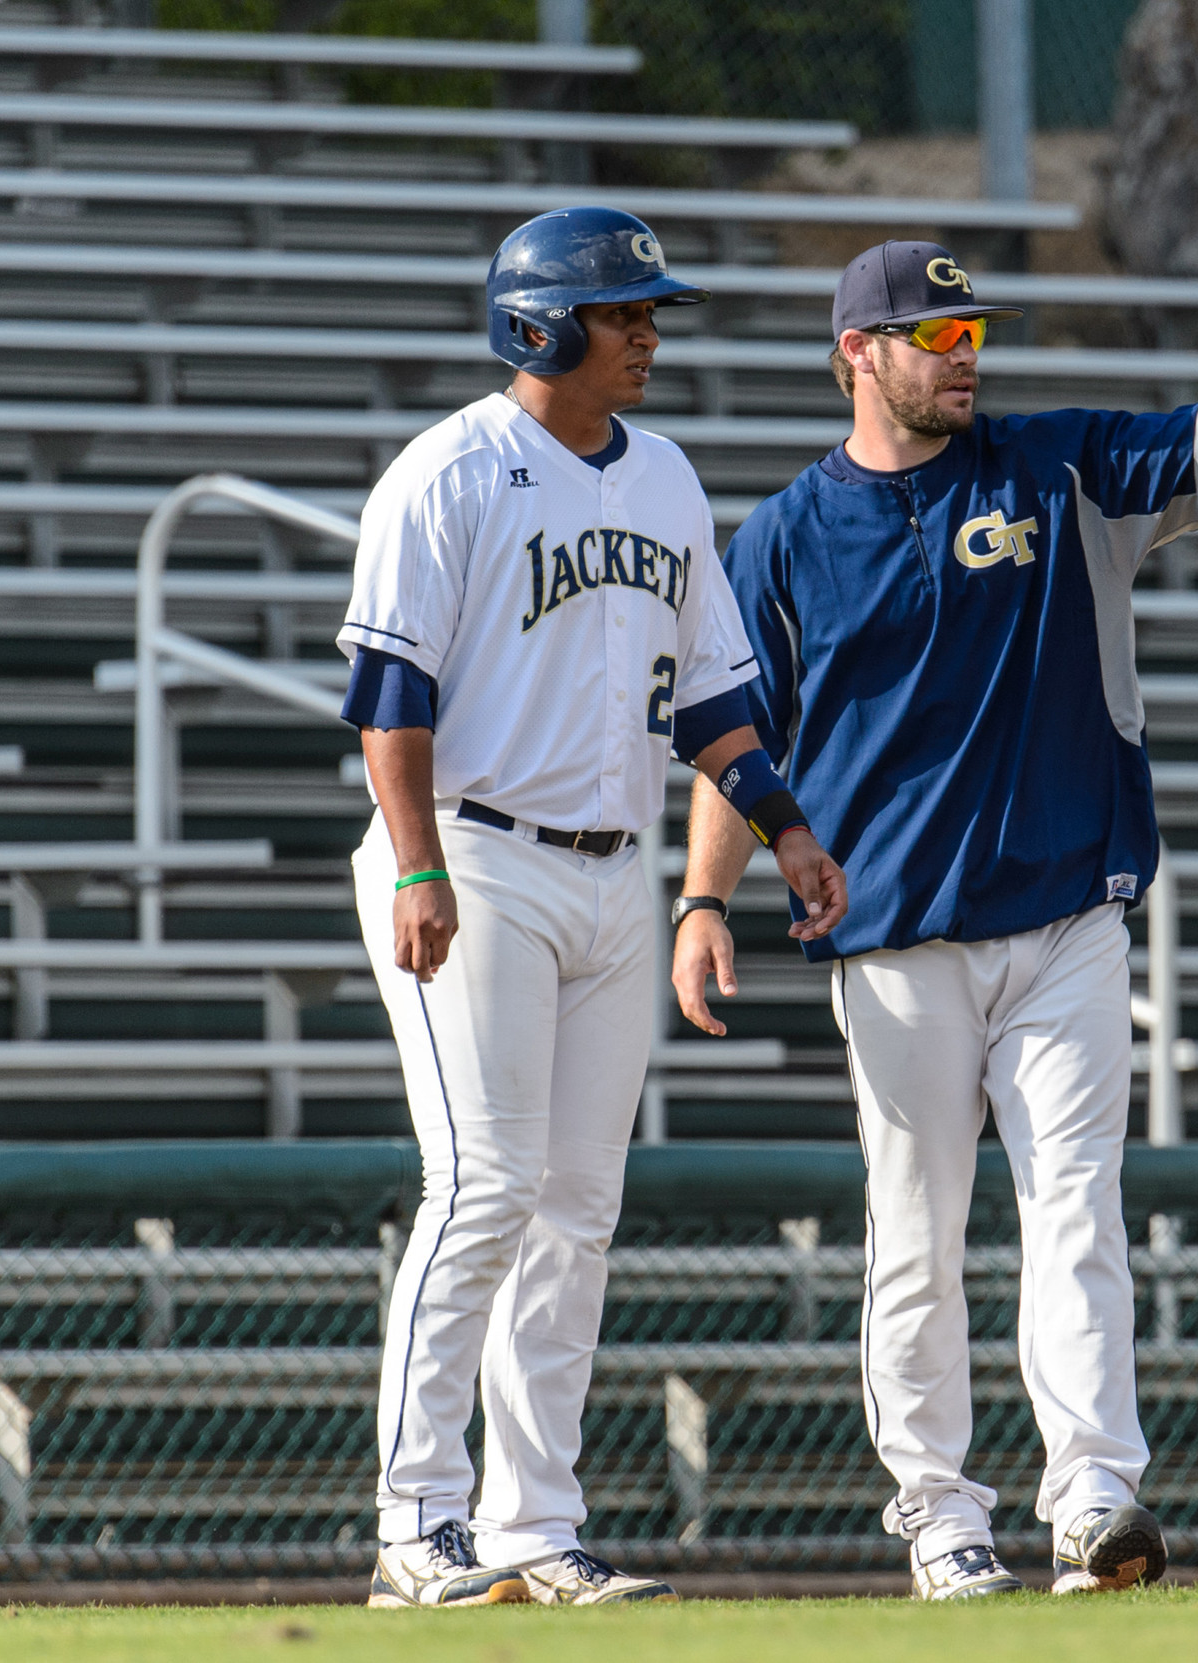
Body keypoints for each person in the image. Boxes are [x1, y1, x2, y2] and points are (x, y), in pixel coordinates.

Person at [670, 238, 1198, 1599]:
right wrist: (705, 896)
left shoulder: (1052, 465)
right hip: (893, 934)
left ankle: (1094, 1493)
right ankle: (938, 1511)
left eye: (971, 326)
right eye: (934, 334)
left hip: (1066, 915)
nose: (964, 350)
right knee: (916, 1228)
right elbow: (737, 730)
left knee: (1075, 1208)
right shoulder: (785, 536)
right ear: (858, 353)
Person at [341, 206, 848, 1609]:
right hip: (471, 848)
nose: (648, 335)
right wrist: (420, 864)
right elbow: (392, 701)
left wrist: (786, 829)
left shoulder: (669, 476)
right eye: (624, 314)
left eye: (645, 311)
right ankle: (415, 1515)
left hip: (613, 867)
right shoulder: (447, 473)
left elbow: (718, 703)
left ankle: (533, 1521)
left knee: (576, 1209)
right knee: (484, 1186)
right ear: (539, 326)